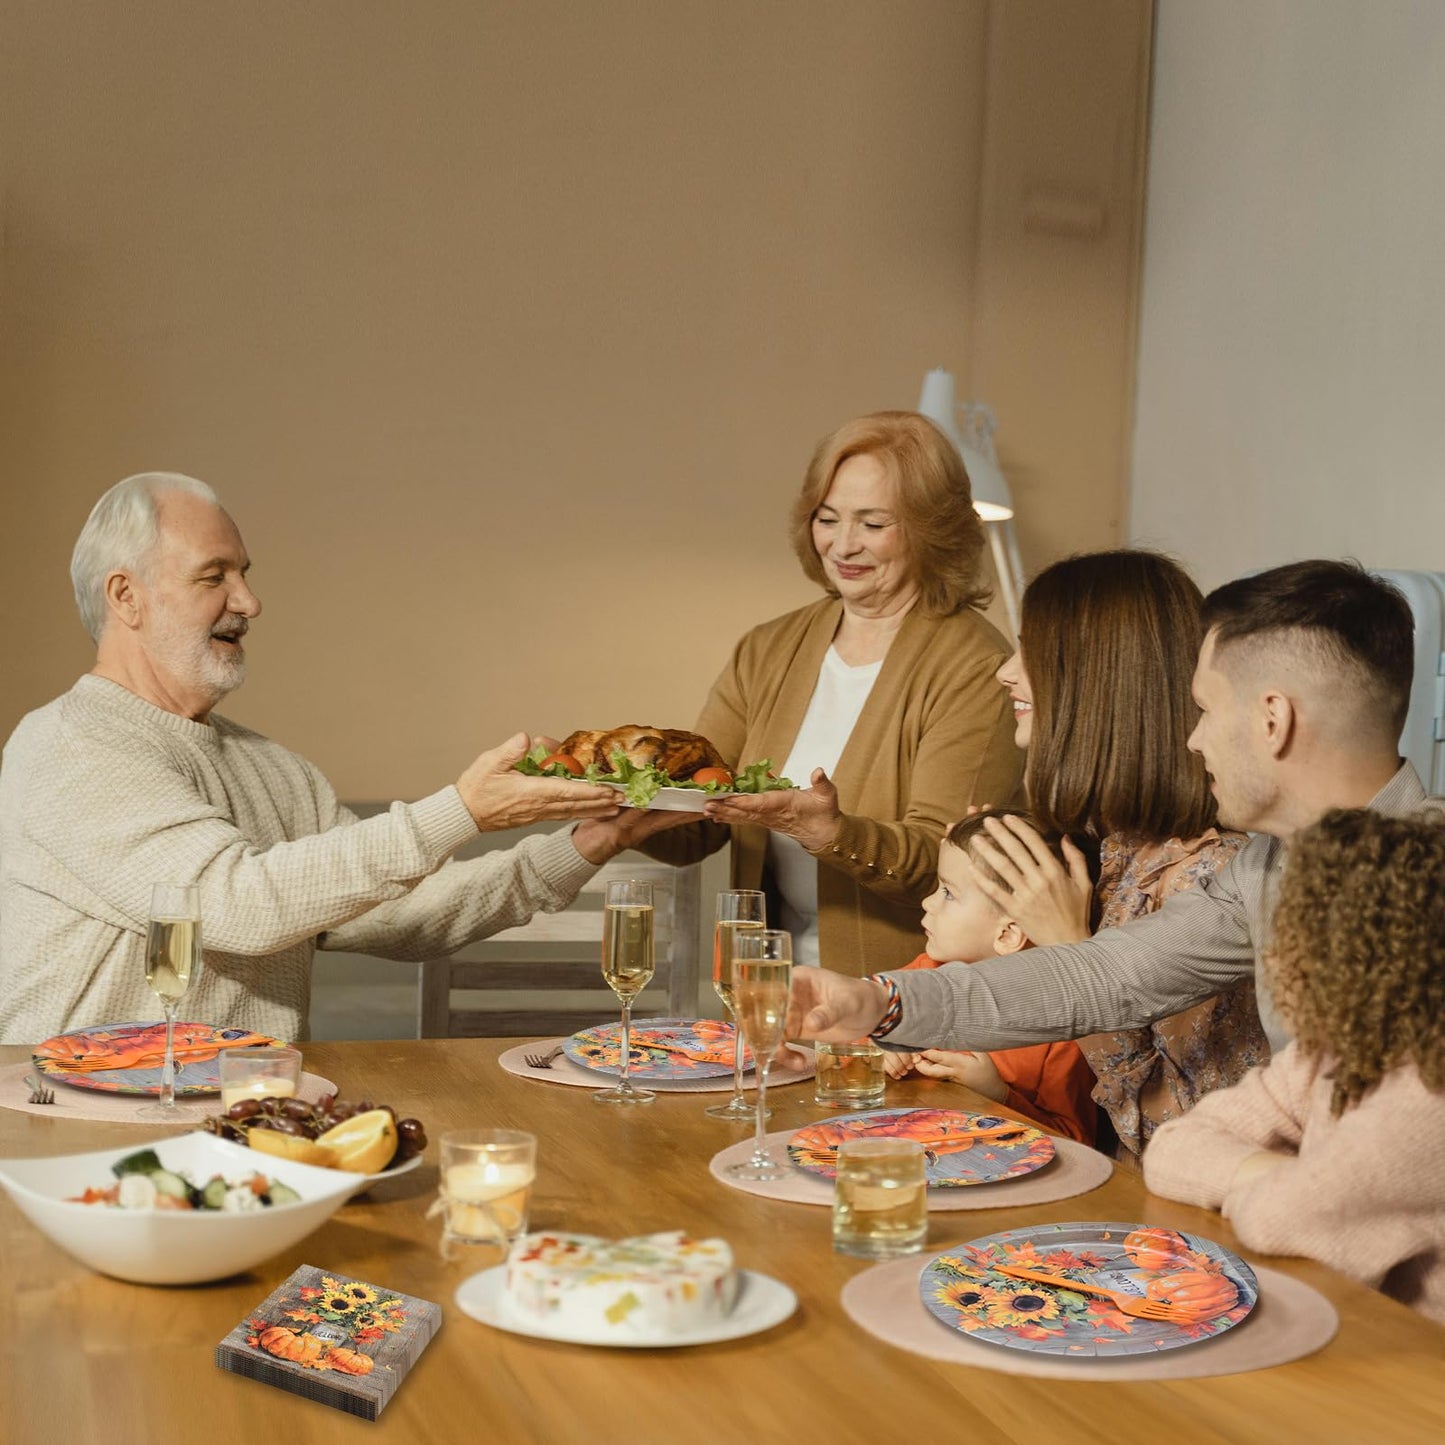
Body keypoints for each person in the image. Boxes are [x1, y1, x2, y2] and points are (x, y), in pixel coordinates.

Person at [0, 473, 683, 1044]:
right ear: (127, 597)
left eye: (244, 574)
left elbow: (402, 910)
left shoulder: (277, 770)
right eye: (215, 576)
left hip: (240, 1120)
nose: (249, 601)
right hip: (77, 1130)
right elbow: (230, 905)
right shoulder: (70, 745)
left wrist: (588, 844)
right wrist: (462, 810)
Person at [783, 559, 1444, 1055]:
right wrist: (878, 1000)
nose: (1191, 736)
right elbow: (1105, 974)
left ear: (1272, 720)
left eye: (1207, 709)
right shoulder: (1265, 869)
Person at [641, 411, 1022, 973]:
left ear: (929, 528)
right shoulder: (768, 648)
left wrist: (831, 833)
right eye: (828, 518)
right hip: (771, 985)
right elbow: (701, 813)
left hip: (907, 1000)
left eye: (873, 524)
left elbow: (945, 860)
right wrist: (620, 807)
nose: (843, 545)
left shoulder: (976, 666)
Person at [969, 551, 1268, 1159]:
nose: (1005, 671)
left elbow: (1183, 1141)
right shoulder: (1099, 849)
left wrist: (1064, 947)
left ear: (1098, 682)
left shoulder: (1209, 877)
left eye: (1032, 652)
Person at [1144, 809, 1445, 1325]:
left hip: (1412, 1373)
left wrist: (1291, 1185)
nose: (1275, 955)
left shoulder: (1425, 1100)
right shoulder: (1332, 1052)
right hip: (1352, 1326)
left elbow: (1273, 1219)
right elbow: (1171, 1149)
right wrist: (1298, 1175)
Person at [882, 811, 1098, 1145]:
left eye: (948, 893)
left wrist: (997, 1093)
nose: (927, 901)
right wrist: (878, 1049)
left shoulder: (1064, 1030)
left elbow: (1075, 1141)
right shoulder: (928, 971)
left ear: (1008, 934)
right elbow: (851, 1030)